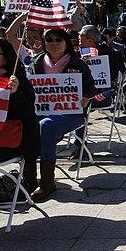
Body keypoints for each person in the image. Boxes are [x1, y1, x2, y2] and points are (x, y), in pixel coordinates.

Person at [27, 28, 96, 201]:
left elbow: (92, 88)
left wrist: (86, 97)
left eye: (59, 39)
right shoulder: (36, 62)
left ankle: (47, 183)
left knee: (46, 126)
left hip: (72, 114)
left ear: (66, 42)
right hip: (42, 112)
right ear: (44, 43)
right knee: (27, 124)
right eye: (49, 39)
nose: (54, 43)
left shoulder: (78, 63)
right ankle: (28, 179)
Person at [0, 38, 40, 194]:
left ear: (5, 57)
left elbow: (28, 114)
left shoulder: (18, 81)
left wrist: (14, 94)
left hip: (8, 144)